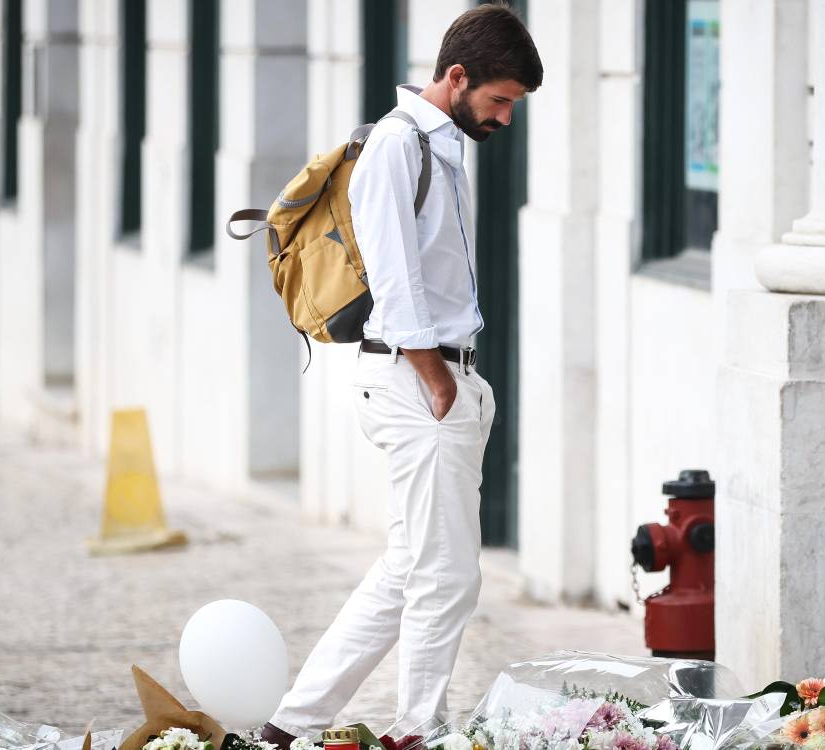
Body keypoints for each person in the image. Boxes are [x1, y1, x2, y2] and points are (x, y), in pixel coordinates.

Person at [261, 5, 543, 746]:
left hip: (437, 379)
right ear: (458, 76)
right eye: (500, 100)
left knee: (408, 568)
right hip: (416, 381)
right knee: (447, 578)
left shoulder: (440, 147)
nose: (505, 117)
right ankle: (417, 731)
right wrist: (439, 382)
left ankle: (291, 724)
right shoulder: (397, 145)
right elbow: (394, 281)